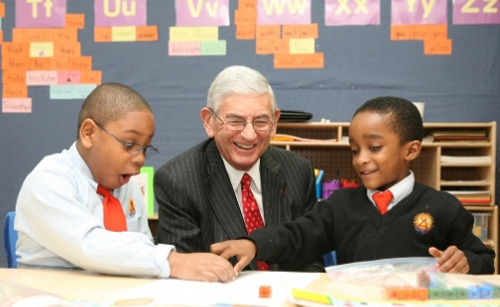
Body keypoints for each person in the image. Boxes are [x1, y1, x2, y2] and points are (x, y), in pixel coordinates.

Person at [211, 96, 495, 275]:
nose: (361, 160)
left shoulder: (444, 208)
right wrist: (253, 243)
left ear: (411, 150)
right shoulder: (340, 207)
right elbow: (297, 234)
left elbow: (485, 258)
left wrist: (466, 262)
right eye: (355, 149)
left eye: (374, 147)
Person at [15, 82, 235, 282]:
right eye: (129, 144)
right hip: (51, 295)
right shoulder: (48, 180)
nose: (140, 158)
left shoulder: (126, 185)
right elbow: (90, 246)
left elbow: (141, 247)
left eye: (145, 148)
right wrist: (173, 261)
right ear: (89, 133)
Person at [154, 65, 322, 271]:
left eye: (261, 121)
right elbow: (185, 277)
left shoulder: (298, 171)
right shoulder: (178, 180)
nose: (250, 134)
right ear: (209, 121)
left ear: (275, 122)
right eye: (235, 121)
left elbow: (310, 260)